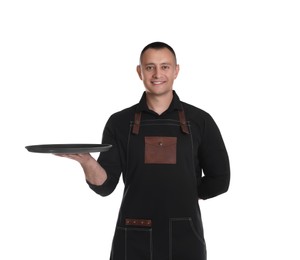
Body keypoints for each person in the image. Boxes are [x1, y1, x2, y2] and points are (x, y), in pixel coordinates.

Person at [58, 42, 230, 260]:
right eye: (150, 67)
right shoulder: (119, 122)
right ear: (140, 71)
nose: (157, 74)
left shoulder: (200, 120)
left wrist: (182, 193)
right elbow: (105, 186)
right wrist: (87, 161)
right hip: (133, 235)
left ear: (176, 70)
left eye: (165, 66)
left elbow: (220, 180)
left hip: (185, 236)